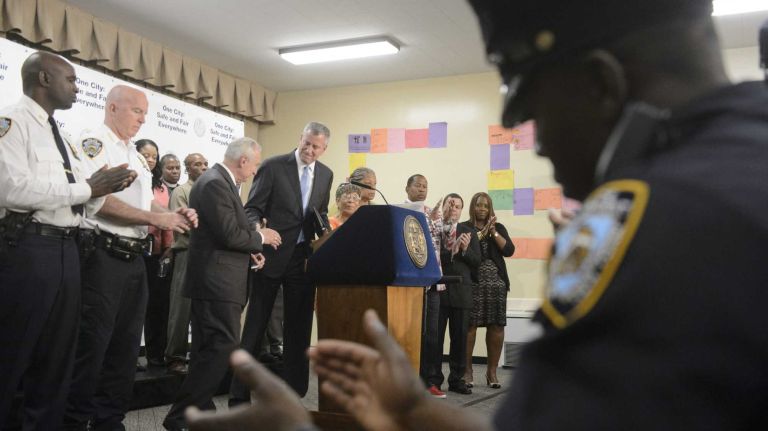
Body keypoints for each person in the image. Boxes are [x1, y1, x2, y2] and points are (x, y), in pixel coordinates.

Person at [181, 0, 768, 430]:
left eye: (533, 108)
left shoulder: (659, 224)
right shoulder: (732, 171)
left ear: (601, 84)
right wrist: (413, 410)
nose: (536, 145)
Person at [0, 51, 135, 431]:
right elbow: (12, 189)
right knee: (15, 354)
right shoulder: (12, 122)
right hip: (28, 249)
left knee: (58, 358)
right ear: (44, 79)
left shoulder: (61, 132)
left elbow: (79, 194)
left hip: (69, 250)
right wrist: (87, 188)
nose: (77, 88)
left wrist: (100, 189)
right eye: (71, 80)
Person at [63, 85, 198, 431]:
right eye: (137, 110)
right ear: (112, 107)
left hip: (135, 259)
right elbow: (99, 202)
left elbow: (143, 204)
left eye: (145, 112)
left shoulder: (134, 154)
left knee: (124, 350)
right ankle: (75, 421)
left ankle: (110, 420)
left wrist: (173, 213)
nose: (143, 118)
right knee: (92, 347)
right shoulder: (92, 142)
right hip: (102, 256)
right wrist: (157, 219)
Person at [162, 137, 281, 431]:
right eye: (254, 165)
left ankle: (196, 414)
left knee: (208, 349)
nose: (254, 171)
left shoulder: (219, 181)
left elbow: (224, 232)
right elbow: (229, 234)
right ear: (243, 161)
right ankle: (180, 416)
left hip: (217, 280)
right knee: (222, 347)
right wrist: (261, 238)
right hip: (217, 283)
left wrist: (251, 251)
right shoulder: (215, 183)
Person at [235, 121, 334, 401]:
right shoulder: (273, 166)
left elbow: (320, 212)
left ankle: (294, 390)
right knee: (255, 326)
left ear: (324, 149)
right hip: (271, 255)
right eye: (307, 143)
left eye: (316, 147)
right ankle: (239, 392)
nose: (310, 150)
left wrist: (326, 232)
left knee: (299, 329)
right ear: (299, 138)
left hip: (303, 260)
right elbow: (252, 208)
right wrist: (258, 233)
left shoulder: (326, 175)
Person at [463, 192, 514, 389]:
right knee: (470, 326)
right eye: (478, 205)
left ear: (490, 208)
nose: (482, 209)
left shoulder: (498, 228)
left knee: (496, 326)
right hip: (473, 283)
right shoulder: (465, 227)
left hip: (497, 284)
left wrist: (493, 231)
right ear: (472, 207)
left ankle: (491, 372)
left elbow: (509, 250)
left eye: (485, 205)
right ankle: (467, 371)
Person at [165, 152, 208, 375]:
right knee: (181, 308)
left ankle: (199, 354)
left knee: (204, 308)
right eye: (196, 164)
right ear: (187, 169)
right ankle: (175, 357)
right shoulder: (182, 192)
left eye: (205, 163)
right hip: (187, 253)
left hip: (208, 257)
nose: (202, 167)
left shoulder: (211, 191)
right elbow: (183, 225)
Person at [403, 174, 446, 398]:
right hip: (408, 283)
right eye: (418, 185)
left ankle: (430, 381)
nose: (422, 189)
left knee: (432, 334)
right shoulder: (399, 211)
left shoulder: (433, 213)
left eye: (425, 186)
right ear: (407, 188)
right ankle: (409, 382)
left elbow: (442, 241)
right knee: (408, 332)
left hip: (432, 282)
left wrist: (443, 220)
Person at [434, 193, 480, 395]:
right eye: (450, 205)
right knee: (435, 339)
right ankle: (433, 378)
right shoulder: (434, 229)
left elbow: (476, 261)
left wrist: (463, 249)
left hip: (462, 291)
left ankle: (457, 379)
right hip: (439, 290)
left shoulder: (468, 232)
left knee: (460, 338)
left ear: (462, 210)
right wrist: (451, 248)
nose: (454, 209)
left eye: (457, 206)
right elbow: (432, 256)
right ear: (444, 207)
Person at [136, 139, 175, 369]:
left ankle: (155, 355)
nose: (150, 160)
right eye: (146, 155)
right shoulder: (132, 179)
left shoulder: (160, 187)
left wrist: (169, 248)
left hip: (158, 253)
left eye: (154, 156)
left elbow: (167, 220)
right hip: (135, 249)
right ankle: (128, 357)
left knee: (158, 307)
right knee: (134, 308)